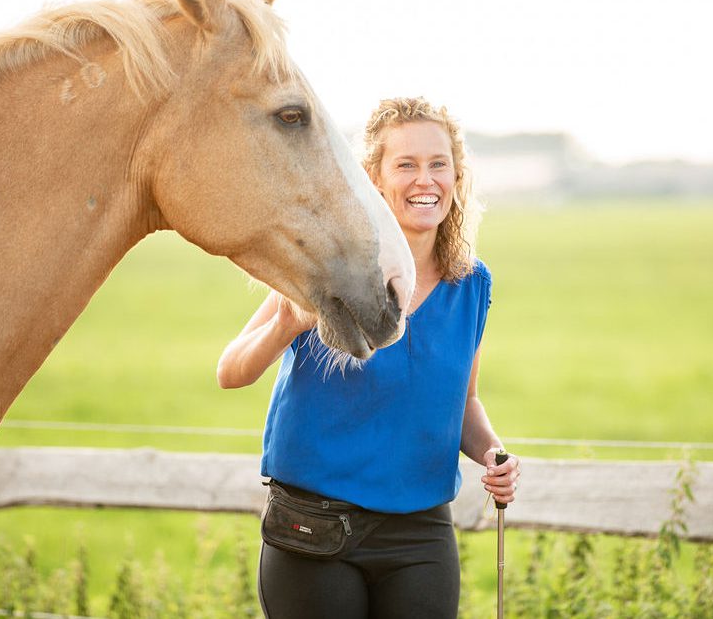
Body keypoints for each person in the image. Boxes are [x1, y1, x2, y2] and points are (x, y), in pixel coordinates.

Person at [217, 97, 521, 619]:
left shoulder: (472, 283)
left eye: (438, 163)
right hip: (315, 530)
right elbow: (231, 372)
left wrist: (493, 454)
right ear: (374, 180)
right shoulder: (325, 266)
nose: (425, 179)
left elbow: (464, 401)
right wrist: (287, 322)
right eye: (405, 165)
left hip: (421, 535)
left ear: (456, 176)